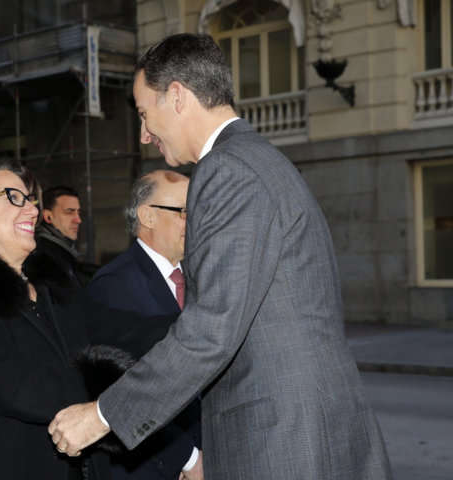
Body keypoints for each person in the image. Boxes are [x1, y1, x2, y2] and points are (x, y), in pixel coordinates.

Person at [49, 33, 392, 480]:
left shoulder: (227, 169)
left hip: (281, 442)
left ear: (176, 95)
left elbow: (211, 331)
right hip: (301, 429)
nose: (143, 134)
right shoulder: (259, 161)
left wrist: (103, 415)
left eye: (143, 113)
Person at [0, 163, 170, 480]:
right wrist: (119, 400)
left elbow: (123, 330)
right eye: (14, 197)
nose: (32, 210)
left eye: (30, 200)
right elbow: (17, 388)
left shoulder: (53, 289)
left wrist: (201, 326)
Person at [86, 170, 202, 480]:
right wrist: (188, 457)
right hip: (153, 464)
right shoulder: (114, 285)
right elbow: (122, 386)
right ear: (148, 216)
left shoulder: (200, 278)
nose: (195, 220)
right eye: (184, 211)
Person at [24, 186, 90, 297]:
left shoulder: (60, 254)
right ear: (48, 217)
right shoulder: (45, 259)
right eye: (69, 212)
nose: (78, 220)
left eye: (78, 212)